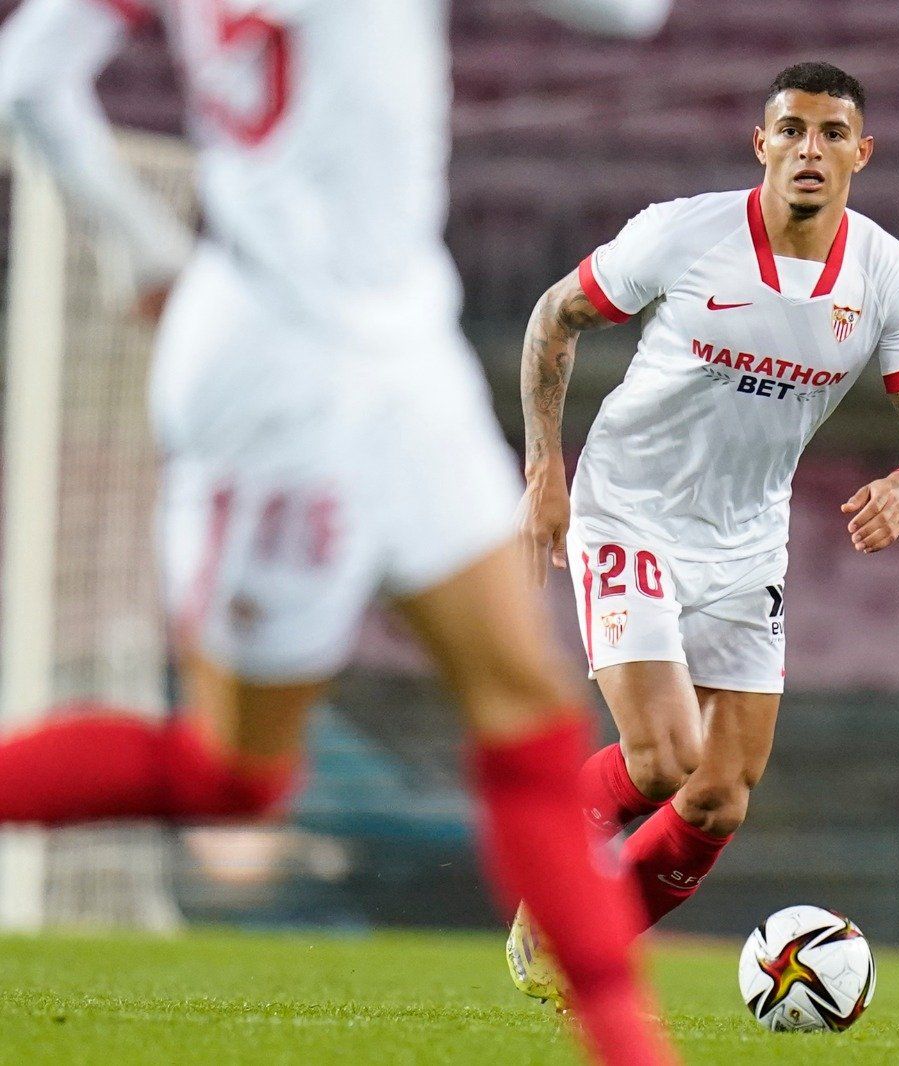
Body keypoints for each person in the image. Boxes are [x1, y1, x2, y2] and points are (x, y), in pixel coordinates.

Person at [0, 1, 679, 1062]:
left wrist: (143, 256)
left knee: (527, 718)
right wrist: (147, 261)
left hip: (397, 347)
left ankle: (631, 1047)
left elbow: (29, 76)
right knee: (237, 773)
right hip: (283, 378)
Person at [510, 60, 899, 988]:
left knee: (717, 798)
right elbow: (554, 319)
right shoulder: (682, 234)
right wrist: (543, 468)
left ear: (861, 154)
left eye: (832, 133)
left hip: (746, 540)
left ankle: (583, 948)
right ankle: (566, 902)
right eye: (791, 129)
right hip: (630, 512)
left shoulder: (885, 274)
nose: (810, 148)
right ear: (761, 143)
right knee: (664, 755)